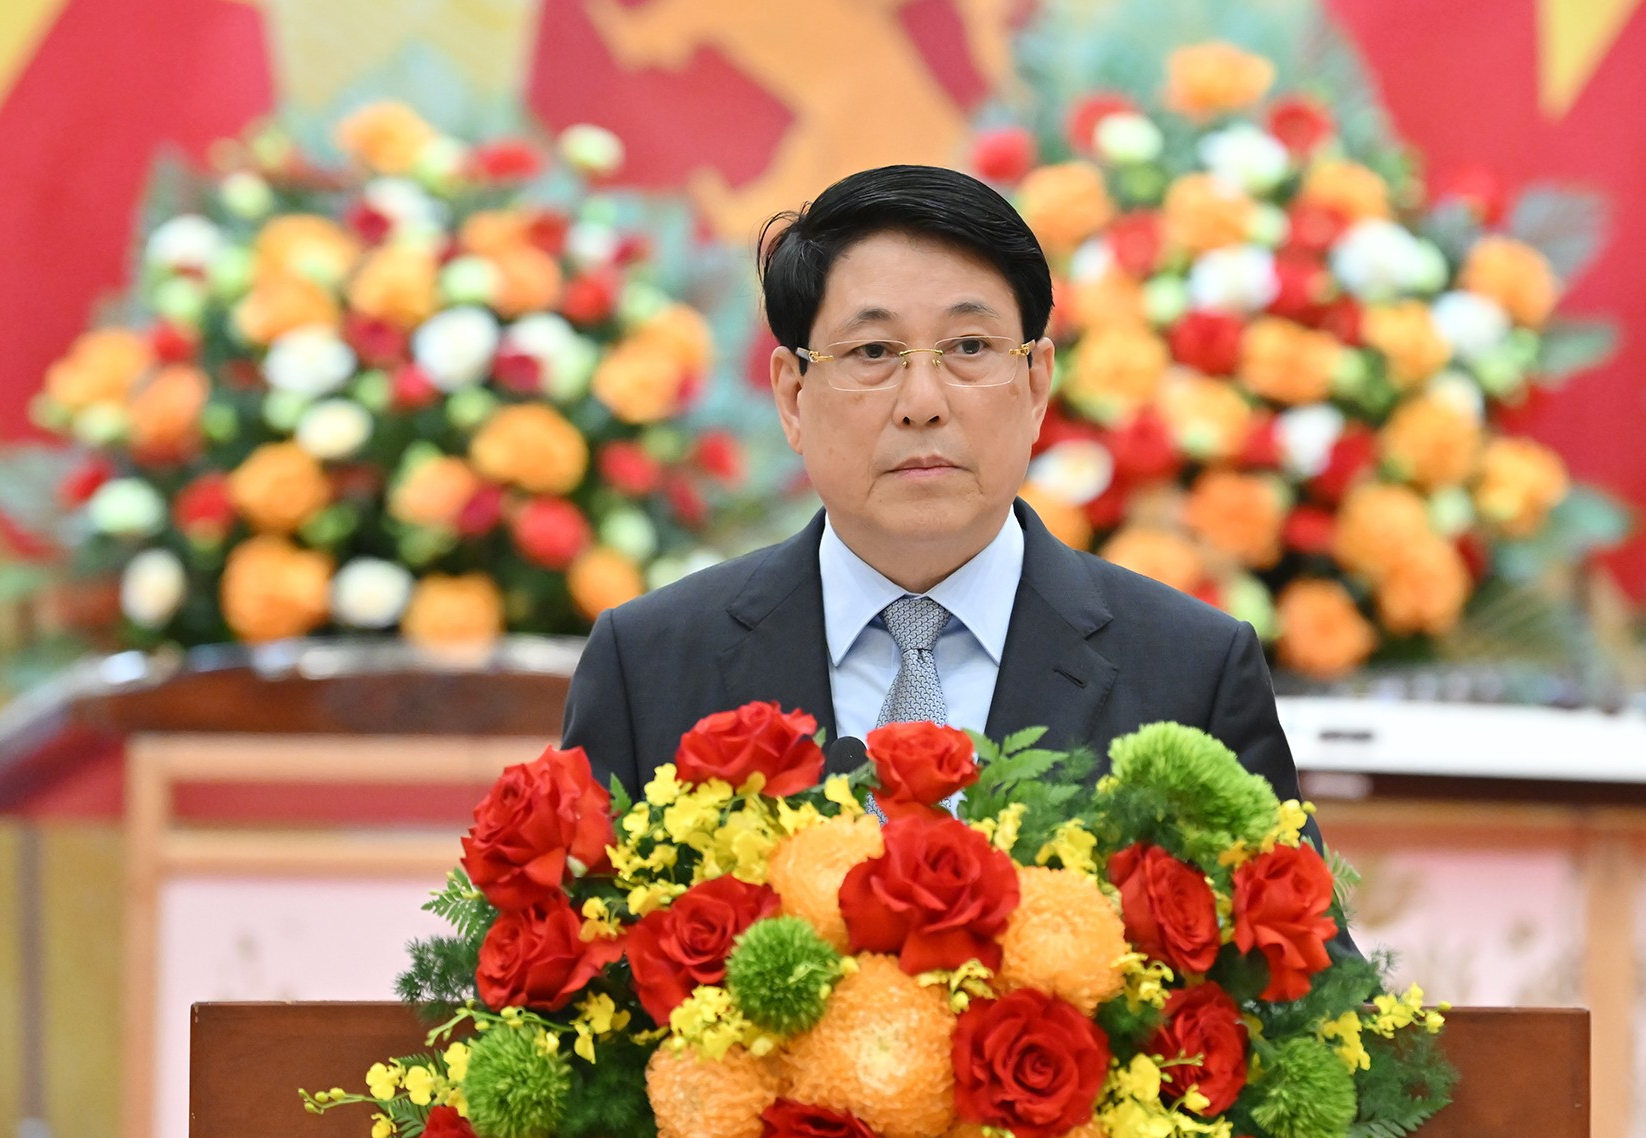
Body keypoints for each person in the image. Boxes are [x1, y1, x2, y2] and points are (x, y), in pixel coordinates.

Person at [561, 163, 1355, 952]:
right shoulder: (651, 665)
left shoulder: (1192, 670)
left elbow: (1305, 1000)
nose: (922, 402)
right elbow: (563, 993)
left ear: (1037, 384)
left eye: (969, 346)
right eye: (873, 352)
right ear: (793, 396)